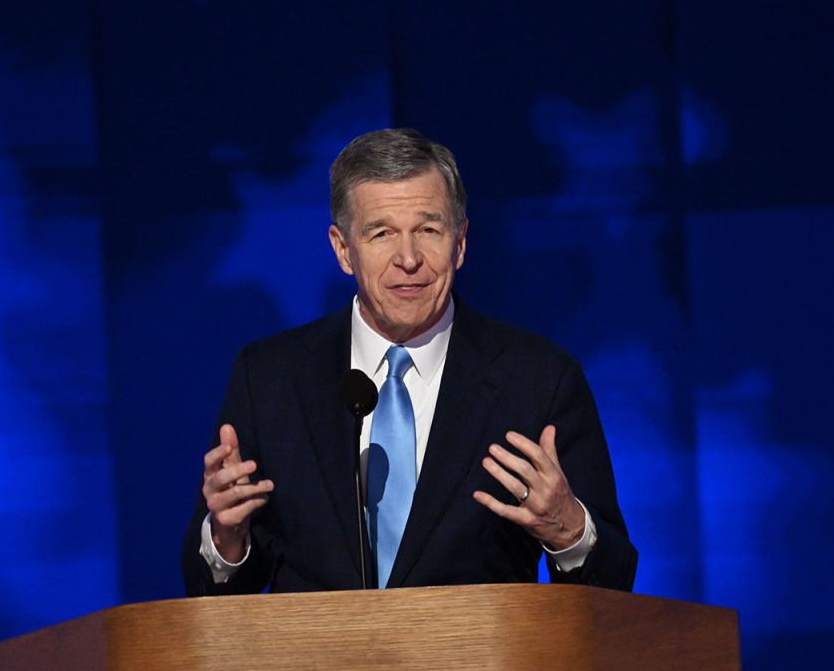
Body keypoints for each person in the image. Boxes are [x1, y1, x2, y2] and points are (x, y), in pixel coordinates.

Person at [182, 128, 636, 595]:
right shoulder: (269, 378)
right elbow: (211, 593)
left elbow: (612, 584)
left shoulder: (539, 379)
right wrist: (227, 540)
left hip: (475, 664)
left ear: (459, 242)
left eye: (428, 230)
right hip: (315, 665)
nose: (409, 259)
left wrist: (568, 531)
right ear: (343, 250)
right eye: (381, 233)